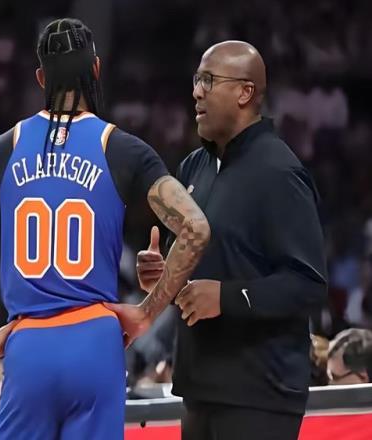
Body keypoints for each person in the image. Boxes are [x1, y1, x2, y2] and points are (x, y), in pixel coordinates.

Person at [0, 18, 210, 440]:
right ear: (96, 69)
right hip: (95, 341)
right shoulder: (122, 148)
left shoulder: (5, 148)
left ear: (41, 77)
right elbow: (195, 227)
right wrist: (146, 312)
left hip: (29, 345)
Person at [110, 41, 328, 440]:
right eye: (197, 79)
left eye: (209, 80)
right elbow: (197, 273)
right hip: (199, 387)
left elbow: (309, 284)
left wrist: (226, 297)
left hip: (260, 393)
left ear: (245, 92)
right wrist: (164, 277)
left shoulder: (280, 172)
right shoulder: (193, 167)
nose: (197, 91)